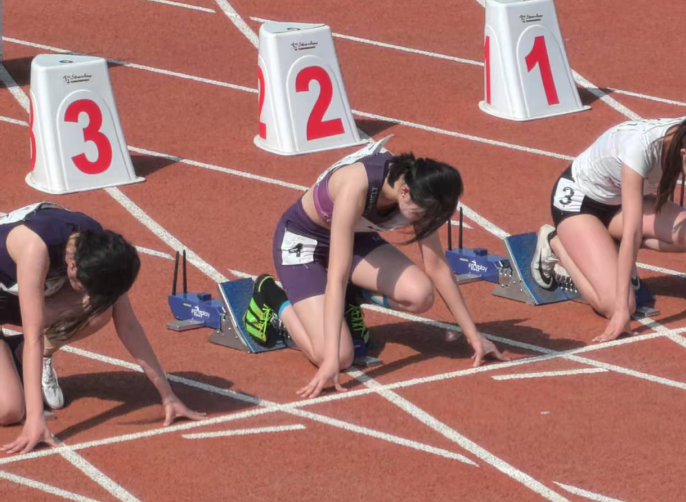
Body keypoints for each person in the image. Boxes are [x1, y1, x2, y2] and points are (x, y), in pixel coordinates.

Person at [245, 138, 507, 399]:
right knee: (339, 355)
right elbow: (336, 276)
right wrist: (330, 362)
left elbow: (436, 265)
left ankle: (353, 296)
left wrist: (473, 336)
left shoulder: (420, 190)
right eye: (424, 214)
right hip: (303, 244)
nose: (426, 221)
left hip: (355, 240)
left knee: (420, 295)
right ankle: (272, 297)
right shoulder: (356, 186)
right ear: (405, 192)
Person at [531, 116, 686, 343]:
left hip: (620, 205)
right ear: (684, 155)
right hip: (579, 205)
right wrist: (620, 313)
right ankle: (556, 242)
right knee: (619, 304)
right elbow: (633, 232)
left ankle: (601, 243)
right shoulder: (639, 150)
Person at [1, 203, 204, 455]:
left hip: (17, 297)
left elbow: (128, 325)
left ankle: (19, 357)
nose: (87, 297)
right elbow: (34, 338)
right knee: (9, 410)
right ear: (73, 267)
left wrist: (167, 395)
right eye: (83, 286)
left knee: (101, 309)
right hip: (10, 296)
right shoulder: (36, 249)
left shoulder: (99, 249)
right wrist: (35, 420)